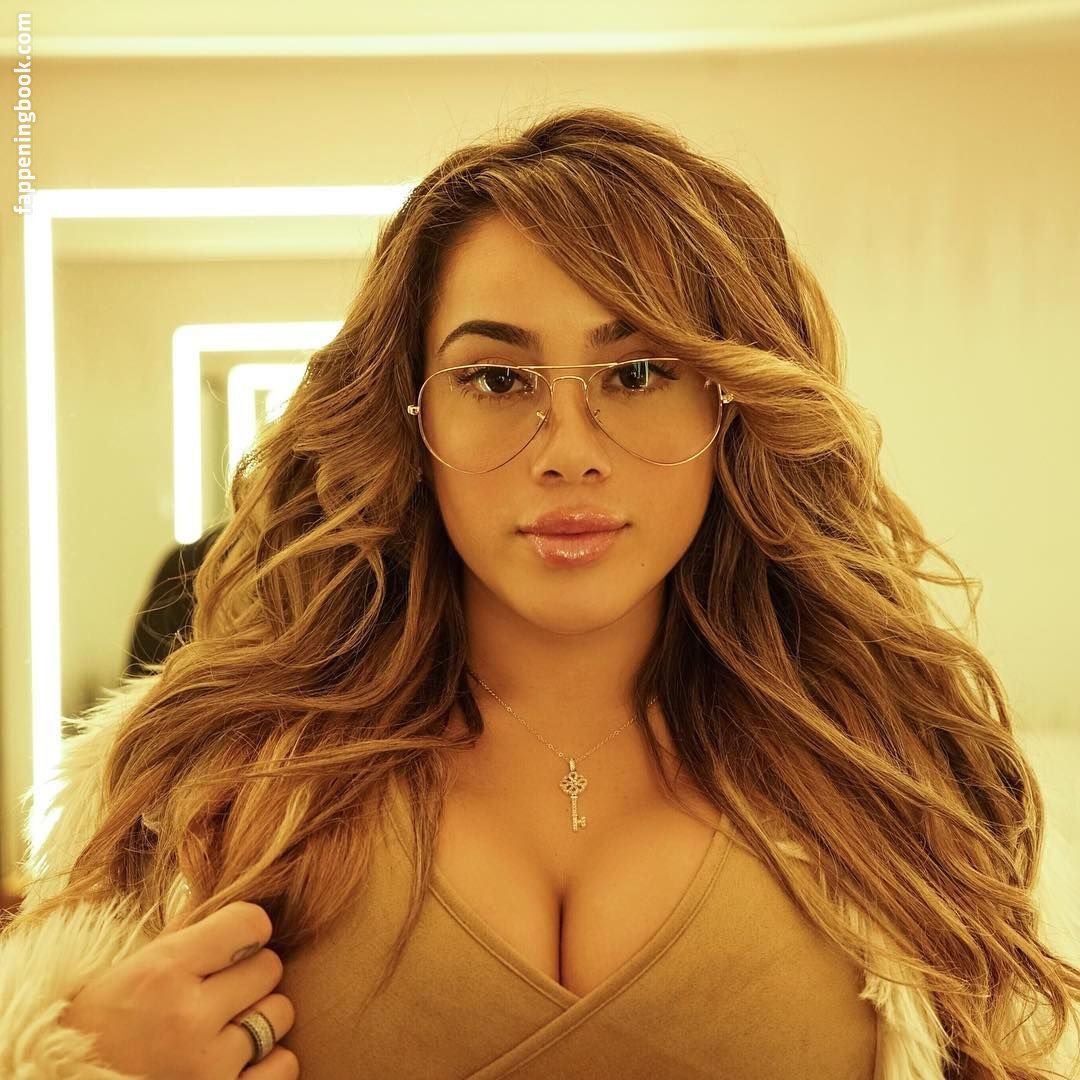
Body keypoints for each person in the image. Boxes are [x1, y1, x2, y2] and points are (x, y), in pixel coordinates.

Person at [1, 105, 1077, 1079]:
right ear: (412, 414)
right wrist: (70, 1061)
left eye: (639, 373)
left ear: (732, 408)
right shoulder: (208, 780)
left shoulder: (898, 778)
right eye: (497, 378)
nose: (569, 451)